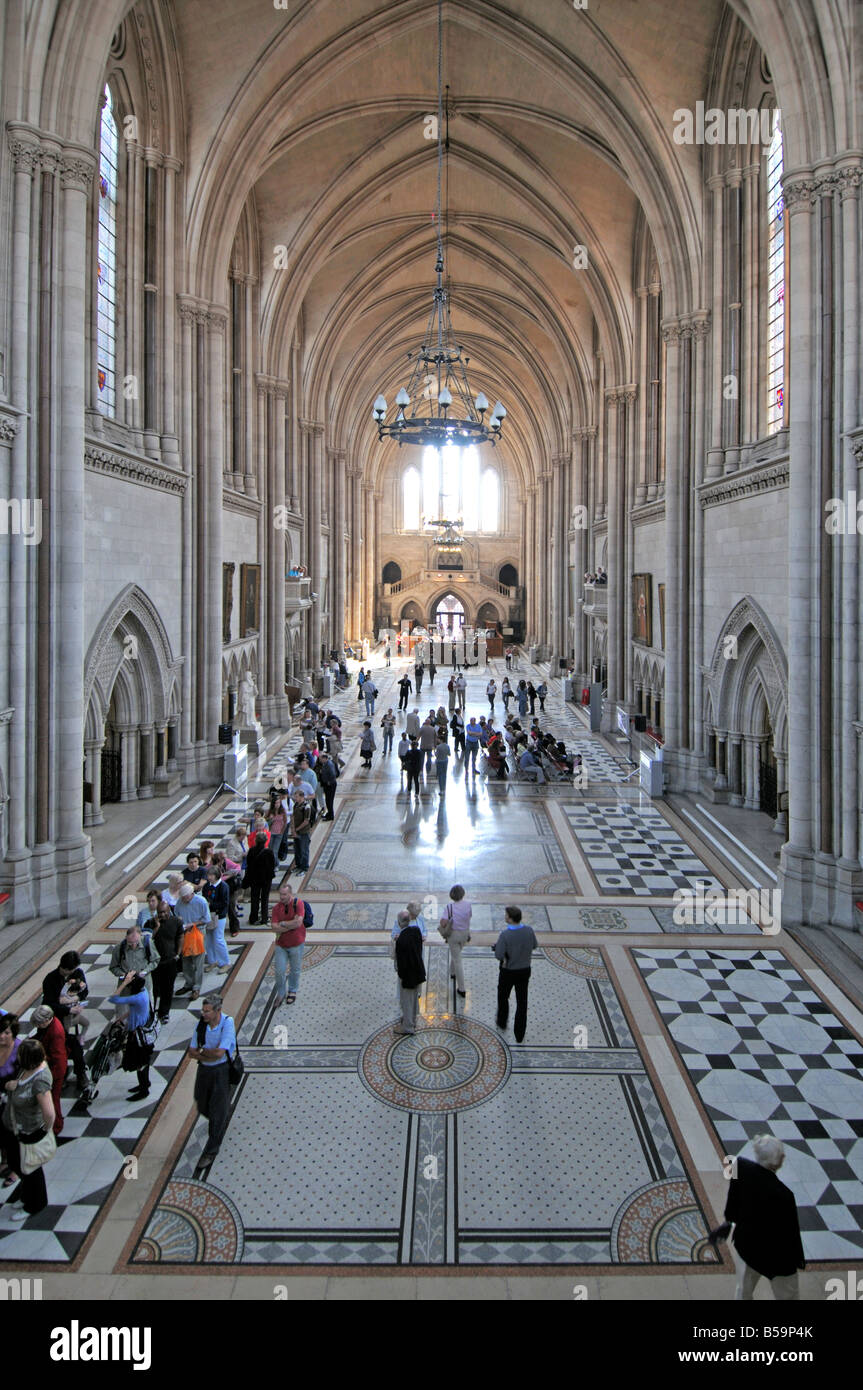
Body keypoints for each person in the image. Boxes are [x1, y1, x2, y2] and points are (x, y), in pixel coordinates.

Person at [715, 1136, 806, 1301]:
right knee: (788, 1296)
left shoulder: (740, 1166)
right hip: (777, 1259)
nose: (784, 1157)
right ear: (776, 1162)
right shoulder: (784, 1195)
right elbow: (790, 1233)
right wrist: (798, 1261)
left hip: (747, 1246)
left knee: (743, 1290)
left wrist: (728, 1221)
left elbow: (733, 1196)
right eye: (782, 1155)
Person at [2, 1039, 55, 1221]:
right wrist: (11, 1086)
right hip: (14, 1127)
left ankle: (36, 1203)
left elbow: (49, 1113)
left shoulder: (40, 1080)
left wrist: (42, 1132)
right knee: (18, 1164)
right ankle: (26, 1196)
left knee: (31, 1168)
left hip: (28, 1131)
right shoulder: (26, 1069)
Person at [188, 994, 237, 1164]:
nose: (204, 1014)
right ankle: (221, 1117)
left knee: (216, 1112)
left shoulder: (227, 1023)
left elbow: (219, 1053)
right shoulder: (201, 1025)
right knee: (201, 1104)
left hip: (221, 1071)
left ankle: (211, 1150)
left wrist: (202, 1053)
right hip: (204, 1071)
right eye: (203, 1010)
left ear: (218, 1011)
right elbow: (191, 1052)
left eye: (207, 1011)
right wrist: (206, 1056)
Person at [41, 950, 89, 1094]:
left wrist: (75, 1000)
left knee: (76, 1047)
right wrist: (68, 1010)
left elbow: (84, 991)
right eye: (69, 970)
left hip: (71, 1018)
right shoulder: (51, 979)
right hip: (57, 1020)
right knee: (56, 1049)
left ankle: (81, 1073)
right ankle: (59, 1075)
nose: (72, 973)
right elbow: (49, 1003)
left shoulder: (78, 974)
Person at [107, 971, 154, 1101]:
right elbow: (134, 1009)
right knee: (142, 1061)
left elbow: (113, 998)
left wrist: (124, 983)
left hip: (138, 1035)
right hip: (141, 1032)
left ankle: (144, 1090)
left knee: (140, 1062)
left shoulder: (137, 997)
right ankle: (144, 1084)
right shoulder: (142, 992)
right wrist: (123, 1017)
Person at [493, 906, 537, 1043]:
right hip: (524, 970)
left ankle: (502, 1020)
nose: (505, 917)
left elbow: (499, 954)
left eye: (506, 915)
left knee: (503, 996)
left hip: (508, 971)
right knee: (522, 1001)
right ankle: (519, 1033)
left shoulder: (505, 935)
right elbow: (535, 945)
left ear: (510, 918)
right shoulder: (529, 931)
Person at [29, 1006, 66, 1135]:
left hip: (55, 1070)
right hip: (52, 1067)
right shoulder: (50, 1024)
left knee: (53, 1099)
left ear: (46, 1020)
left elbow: (57, 1056)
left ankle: (56, 1127)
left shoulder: (55, 1032)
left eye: (39, 1023)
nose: (38, 1026)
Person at [270, 883, 307, 1005]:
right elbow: (274, 927)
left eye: (284, 894)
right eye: (280, 894)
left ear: (290, 894)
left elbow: (298, 923)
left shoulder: (298, 904)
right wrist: (290, 925)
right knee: (279, 971)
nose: (282, 897)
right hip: (281, 944)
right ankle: (281, 993)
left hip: (296, 943)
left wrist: (283, 924)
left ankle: (292, 990)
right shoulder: (276, 908)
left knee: (295, 969)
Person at [175, 880, 210, 1000]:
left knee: (198, 961)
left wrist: (193, 924)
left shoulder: (201, 901)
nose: (184, 899)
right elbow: (177, 915)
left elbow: (206, 919)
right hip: (185, 933)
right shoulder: (180, 902)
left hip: (198, 931)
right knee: (186, 960)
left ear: (191, 894)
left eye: (185, 897)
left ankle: (196, 987)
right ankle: (188, 983)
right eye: (182, 897)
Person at [393, 913, 426, 1035]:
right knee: (414, 999)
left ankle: (407, 1027)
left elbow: (399, 961)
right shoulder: (416, 931)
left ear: (399, 923)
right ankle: (411, 1020)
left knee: (406, 1000)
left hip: (407, 975)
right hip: (418, 970)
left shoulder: (401, 940)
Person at [152, 898, 183, 1023]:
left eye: (164, 912)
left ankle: (164, 1012)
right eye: (160, 912)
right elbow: (147, 939)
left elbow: (180, 936)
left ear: (169, 910)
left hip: (170, 961)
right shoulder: (151, 923)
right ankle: (152, 1011)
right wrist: (157, 927)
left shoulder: (176, 921)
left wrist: (178, 953)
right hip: (155, 962)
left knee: (168, 988)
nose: (162, 915)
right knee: (154, 989)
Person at [109, 925, 157, 1004]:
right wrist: (124, 975)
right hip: (126, 987)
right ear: (126, 937)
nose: (133, 945)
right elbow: (113, 967)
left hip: (144, 984)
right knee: (123, 1008)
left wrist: (145, 971)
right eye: (130, 943)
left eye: (136, 942)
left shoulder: (148, 944)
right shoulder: (119, 948)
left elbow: (155, 960)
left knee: (146, 1007)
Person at [440, 884, 472, 997]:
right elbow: (469, 917)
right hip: (464, 934)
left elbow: (443, 922)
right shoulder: (468, 905)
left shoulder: (450, 907)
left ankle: (462, 988)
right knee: (456, 954)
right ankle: (452, 972)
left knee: (458, 960)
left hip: (453, 935)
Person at [203, 865, 232, 974]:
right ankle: (212, 961)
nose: (209, 877)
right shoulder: (207, 886)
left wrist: (212, 904)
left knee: (218, 939)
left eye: (211, 875)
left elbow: (225, 903)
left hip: (219, 916)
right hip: (209, 916)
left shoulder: (223, 886)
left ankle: (225, 962)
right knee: (209, 939)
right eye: (208, 875)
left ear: (216, 875)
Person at [245, 829, 277, 922]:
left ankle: (253, 917)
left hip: (255, 878)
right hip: (266, 879)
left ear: (256, 840)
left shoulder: (251, 851)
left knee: (254, 898)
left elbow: (249, 864)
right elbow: (272, 865)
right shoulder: (269, 852)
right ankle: (264, 917)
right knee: (265, 898)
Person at [290, 789, 313, 874]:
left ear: (302, 797)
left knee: (304, 850)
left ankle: (304, 867)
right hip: (296, 831)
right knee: (297, 849)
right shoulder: (296, 805)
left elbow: (306, 821)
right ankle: (298, 865)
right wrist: (292, 829)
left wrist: (297, 829)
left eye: (297, 796)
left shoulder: (306, 806)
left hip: (303, 832)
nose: (295, 798)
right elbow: (293, 816)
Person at [317, 750, 339, 819]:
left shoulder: (329, 764)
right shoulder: (326, 763)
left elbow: (333, 774)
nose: (320, 760)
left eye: (320, 759)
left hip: (330, 785)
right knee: (328, 800)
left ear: (324, 758)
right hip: (328, 784)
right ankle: (329, 813)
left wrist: (329, 781)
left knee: (329, 800)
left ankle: (330, 815)